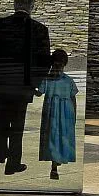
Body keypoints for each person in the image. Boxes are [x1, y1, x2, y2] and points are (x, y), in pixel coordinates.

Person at [0, 0, 51, 175]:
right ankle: (12, 163)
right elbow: (44, 61)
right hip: (23, 86)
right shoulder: (39, 29)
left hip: (1, 84)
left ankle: (1, 154)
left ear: (14, 4)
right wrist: (36, 83)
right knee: (17, 126)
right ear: (32, 6)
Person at [37, 49, 78, 180]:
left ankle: (57, 160)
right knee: (53, 138)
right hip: (52, 114)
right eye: (56, 65)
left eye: (60, 65)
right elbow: (39, 92)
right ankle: (54, 166)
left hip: (65, 113)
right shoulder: (47, 80)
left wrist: (74, 115)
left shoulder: (68, 81)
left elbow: (73, 98)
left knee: (61, 138)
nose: (58, 68)